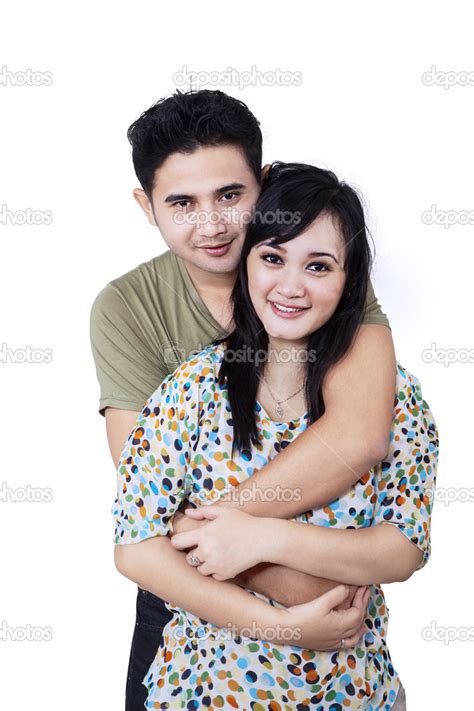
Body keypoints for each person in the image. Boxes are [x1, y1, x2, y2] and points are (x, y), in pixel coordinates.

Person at [90, 90, 397, 709]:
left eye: (230, 195)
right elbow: (143, 494)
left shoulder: (320, 278)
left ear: (263, 182)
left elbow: (360, 433)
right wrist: (267, 579)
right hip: (188, 596)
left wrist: (236, 531)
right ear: (146, 206)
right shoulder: (126, 307)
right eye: (182, 203)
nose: (213, 224)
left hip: (318, 588)